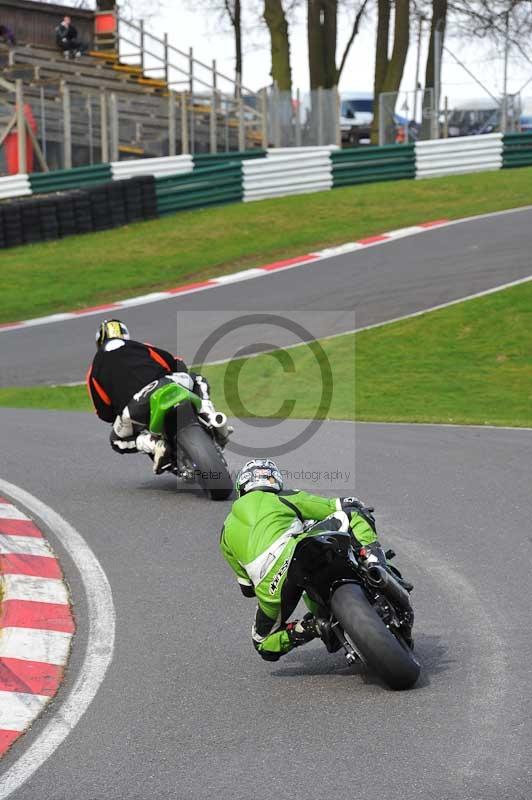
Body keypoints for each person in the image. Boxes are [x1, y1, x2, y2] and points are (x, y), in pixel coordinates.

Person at [220, 458, 409, 662]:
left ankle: (310, 627)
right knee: (353, 512)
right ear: (274, 480)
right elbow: (337, 505)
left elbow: (247, 589)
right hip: (297, 551)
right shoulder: (283, 497)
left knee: (263, 643)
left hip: (271, 586)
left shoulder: (224, 534)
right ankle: (374, 564)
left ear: (242, 486)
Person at [87, 319, 229, 474]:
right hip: (165, 383)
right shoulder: (140, 346)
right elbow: (175, 362)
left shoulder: (93, 371)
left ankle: (153, 444)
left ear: (98, 343)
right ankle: (210, 415)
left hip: (134, 407)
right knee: (198, 380)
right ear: (125, 335)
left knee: (117, 441)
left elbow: (104, 411)